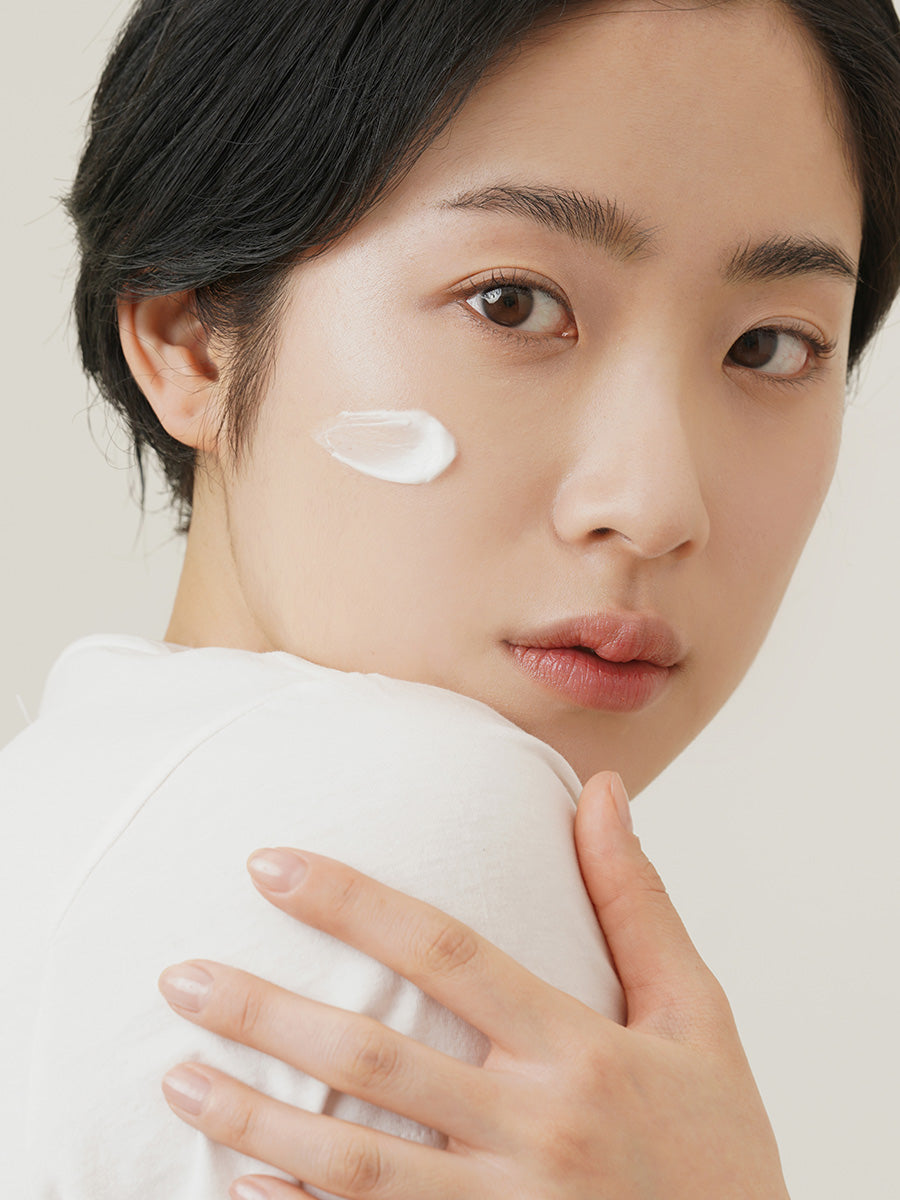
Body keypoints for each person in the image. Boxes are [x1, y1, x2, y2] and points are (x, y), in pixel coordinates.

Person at [5, 0, 899, 1196]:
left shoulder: (57, 800)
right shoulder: (424, 816)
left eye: (771, 347)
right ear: (194, 342)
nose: (654, 503)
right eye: (512, 303)